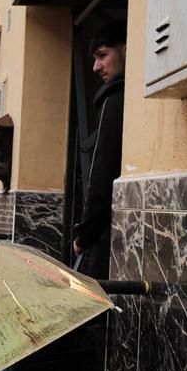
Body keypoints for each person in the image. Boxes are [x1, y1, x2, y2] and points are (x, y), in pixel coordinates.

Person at [73, 20, 126, 279]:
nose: (96, 67)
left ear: (126, 49)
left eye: (103, 55)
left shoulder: (114, 100)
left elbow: (101, 173)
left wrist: (84, 234)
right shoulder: (128, 96)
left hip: (106, 238)